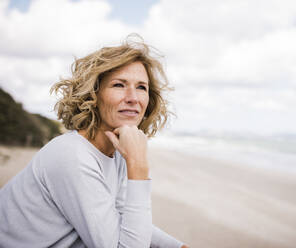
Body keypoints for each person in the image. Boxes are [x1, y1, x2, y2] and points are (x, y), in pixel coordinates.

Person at [0, 35, 189, 248]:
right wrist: (139, 166)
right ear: (93, 95)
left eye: (141, 87)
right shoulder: (71, 155)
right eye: (119, 85)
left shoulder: (114, 151)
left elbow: (121, 217)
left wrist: (177, 246)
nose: (133, 98)